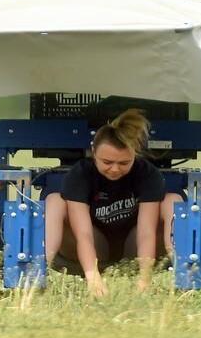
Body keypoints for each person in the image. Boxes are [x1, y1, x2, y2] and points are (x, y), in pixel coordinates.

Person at [44, 109, 182, 296]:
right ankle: (38, 273)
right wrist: (92, 277)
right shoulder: (80, 174)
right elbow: (83, 234)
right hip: (93, 245)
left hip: (133, 248)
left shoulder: (147, 173)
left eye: (124, 163)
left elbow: (146, 233)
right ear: (93, 152)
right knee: (54, 200)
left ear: (135, 154)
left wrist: (145, 278)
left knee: (173, 200)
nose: (115, 169)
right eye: (107, 162)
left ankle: (185, 276)